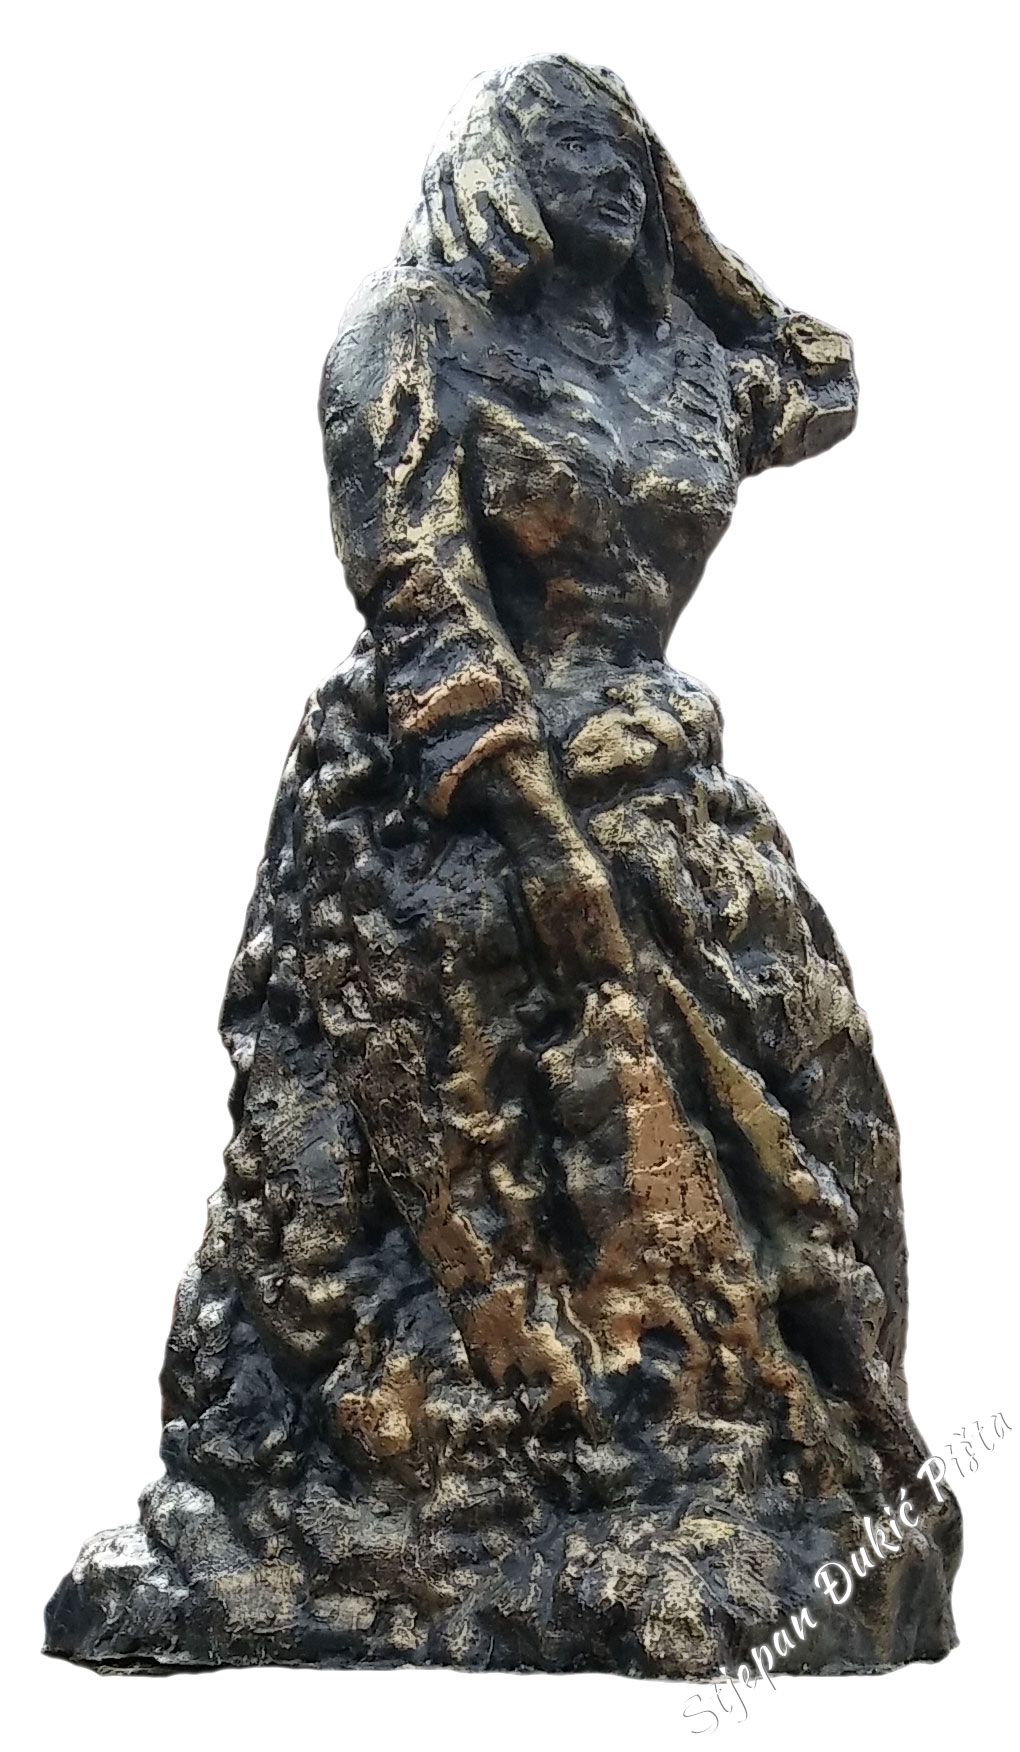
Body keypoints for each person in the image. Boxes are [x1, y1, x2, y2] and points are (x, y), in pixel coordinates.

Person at [46, 55, 959, 1677]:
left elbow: (824, 373)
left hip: (664, 779)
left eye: (629, 154)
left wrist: (699, 252)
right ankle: (560, 1468)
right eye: (565, 148)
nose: (604, 174)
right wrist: (547, 852)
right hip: (449, 805)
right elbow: (421, 606)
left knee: (823, 1109)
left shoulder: (676, 362)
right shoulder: (411, 336)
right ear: (495, 174)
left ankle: (816, 1481)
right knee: (523, 1147)